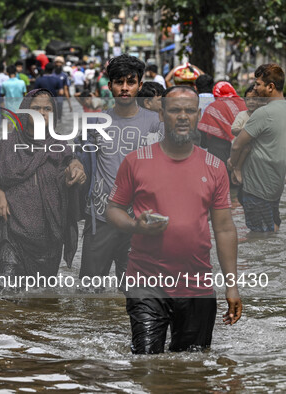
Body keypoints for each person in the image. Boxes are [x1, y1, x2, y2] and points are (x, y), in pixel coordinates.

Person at [106, 86, 242, 354]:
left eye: (189, 111)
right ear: (161, 114)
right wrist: (135, 225)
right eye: (175, 110)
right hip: (145, 282)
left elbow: (225, 229)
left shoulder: (214, 166)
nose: (183, 116)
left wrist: (232, 286)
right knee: (146, 362)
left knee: (191, 367)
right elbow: (113, 209)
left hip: (197, 286)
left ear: (198, 116)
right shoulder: (136, 162)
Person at [76, 54, 163, 283]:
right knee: (90, 293)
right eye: (119, 82)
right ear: (110, 85)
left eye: (131, 82)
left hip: (140, 220)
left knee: (137, 293)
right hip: (100, 219)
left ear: (139, 85)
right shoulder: (95, 123)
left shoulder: (157, 123)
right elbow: (72, 155)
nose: (125, 88)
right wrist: (73, 166)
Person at [0, 89, 86, 277]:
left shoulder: (61, 147)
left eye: (47, 108)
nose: (42, 113)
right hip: (12, 233)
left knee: (42, 300)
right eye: (36, 108)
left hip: (48, 237)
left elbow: (71, 173)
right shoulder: (8, 145)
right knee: (6, 294)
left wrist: (75, 174)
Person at [228, 63, 286, 233]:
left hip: (256, 187)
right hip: (276, 185)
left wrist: (234, 167)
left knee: (258, 237)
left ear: (270, 87)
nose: (255, 88)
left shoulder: (263, 113)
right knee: (272, 229)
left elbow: (238, 144)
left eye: (258, 84)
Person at [198, 82, 247, 169]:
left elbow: (203, 141)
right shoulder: (245, 104)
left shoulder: (213, 107)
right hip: (244, 153)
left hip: (219, 155)